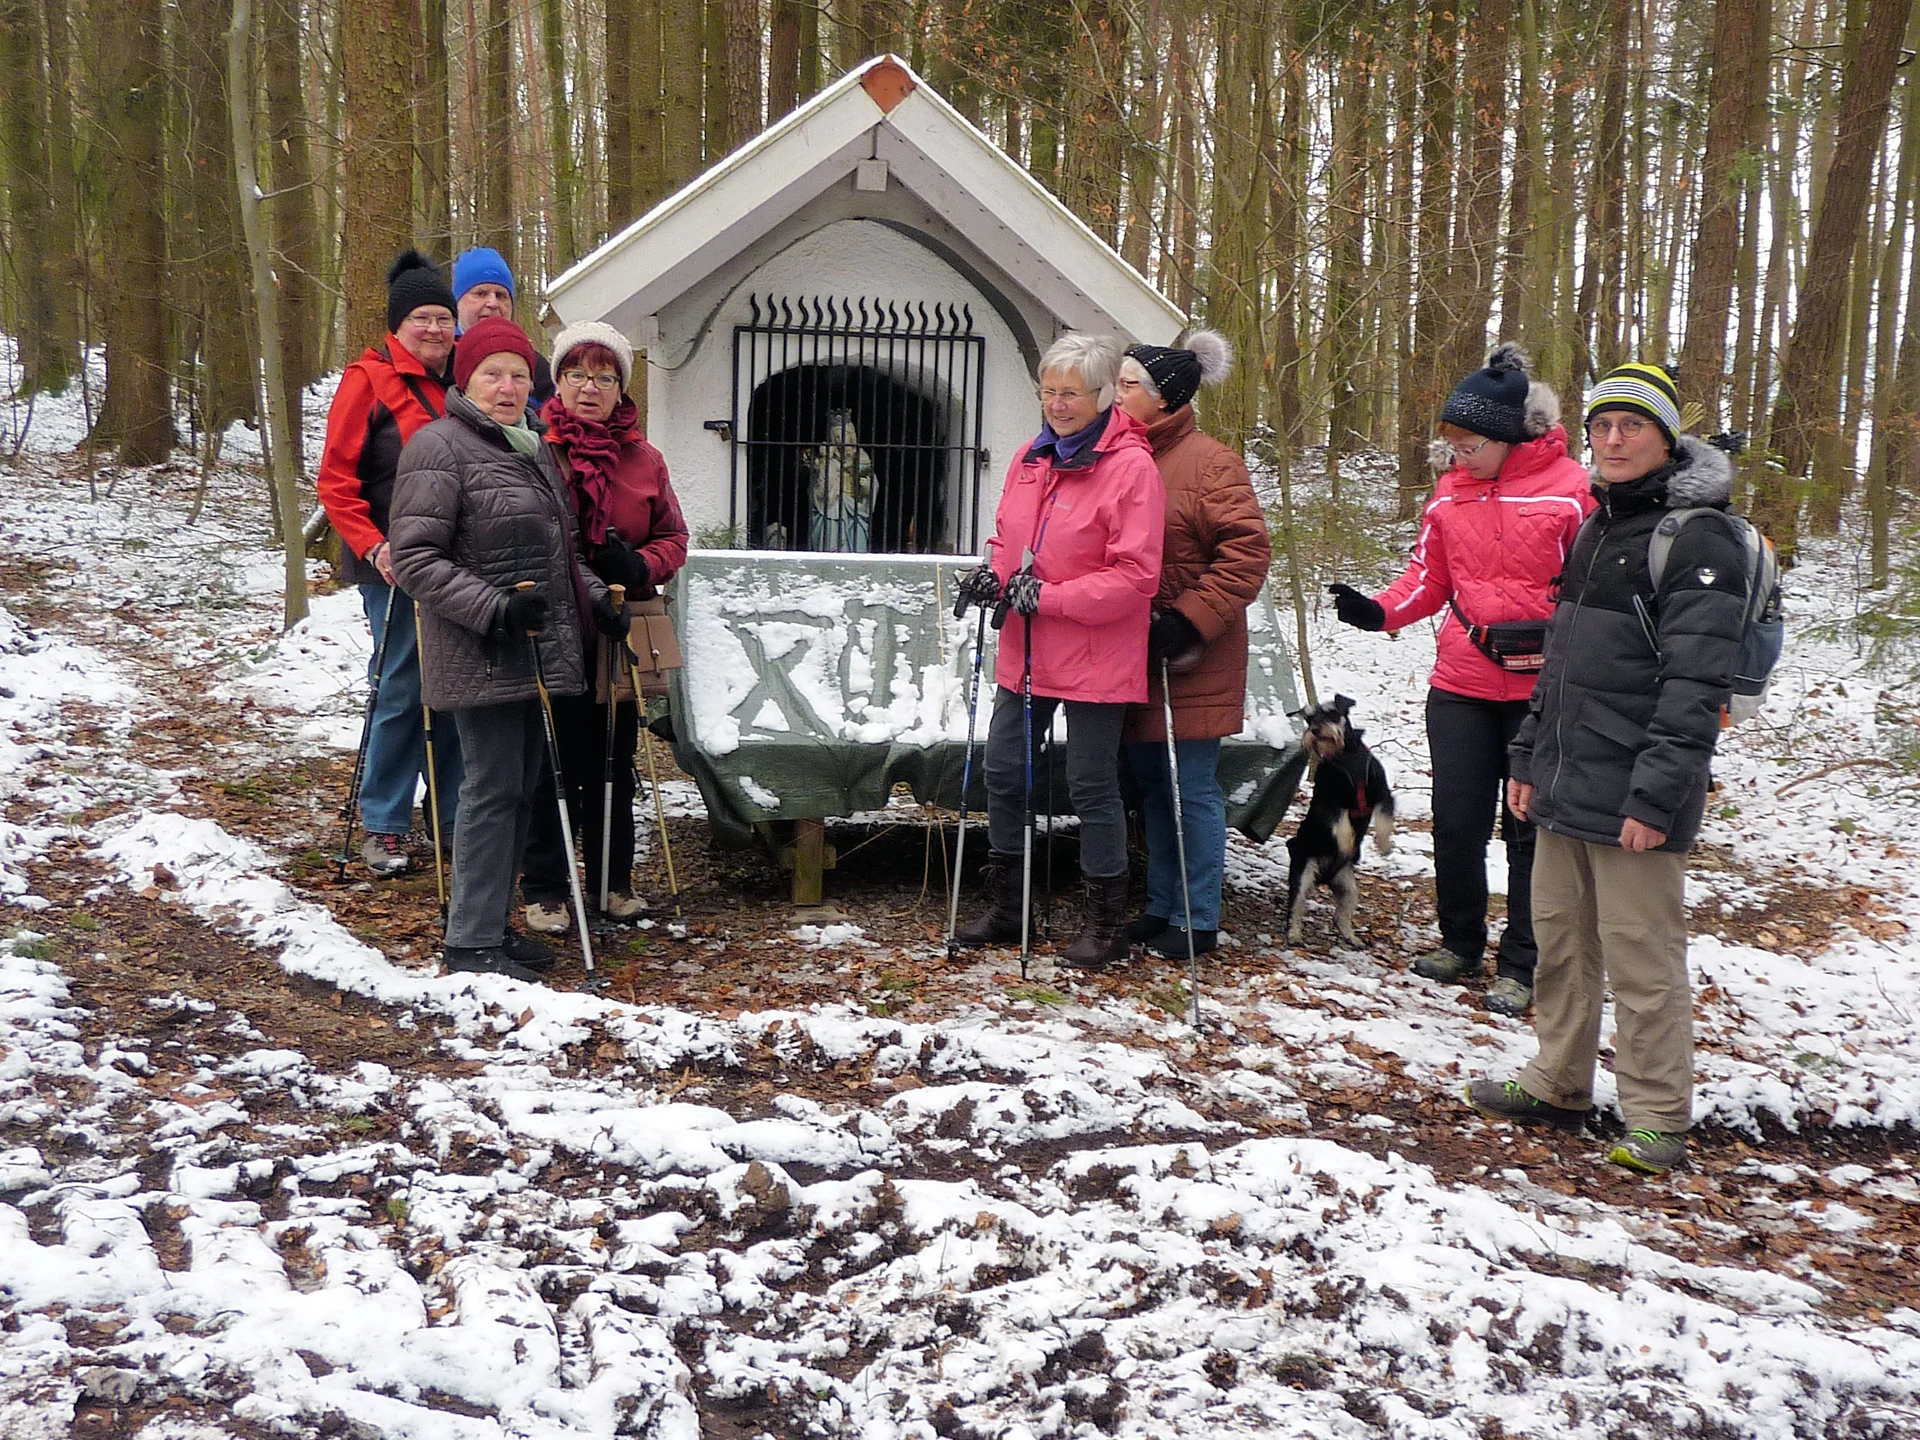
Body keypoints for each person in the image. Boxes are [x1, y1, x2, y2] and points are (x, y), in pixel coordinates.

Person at [1469, 361, 1747, 1176]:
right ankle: (1559, 1078)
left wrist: (1658, 796)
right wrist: (1526, 753)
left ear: (1666, 438)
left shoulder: (1698, 539)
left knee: (1642, 958)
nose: (1614, 439)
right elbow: (1559, 662)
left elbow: (1697, 686)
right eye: (1602, 425)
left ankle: (1659, 1117)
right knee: (1559, 942)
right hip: (1564, 775)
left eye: (1633, 426)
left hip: (1638, 791)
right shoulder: (1598, 525)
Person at [1327, 344, 1590, 1015]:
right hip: (1462, 683)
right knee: (1458, 823)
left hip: (1543, 691)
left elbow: (1594, 593)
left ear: (1508, 436)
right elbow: (1428, 579)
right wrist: (1378, 610)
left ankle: (1523, 963)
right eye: (1450, 440)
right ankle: (1460, 942)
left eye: (1469, 442)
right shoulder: (1449, 497)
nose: (1456, 454)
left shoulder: (1573, 491)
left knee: (1530, 830)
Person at [389, 317, 625, 982]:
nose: (507, 385)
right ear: (465, 380)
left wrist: (594, 598)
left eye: (519, 374)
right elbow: (415, 559)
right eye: (492, 373)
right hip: (481, 650)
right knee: (492, 790)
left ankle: (492, 926)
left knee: (521, 790)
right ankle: (468, 942)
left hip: (535, 653)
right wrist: (491, 608)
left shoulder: (531, 447)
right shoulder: (439, 447)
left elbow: (562, 551)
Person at [953, 333, 1164, 969]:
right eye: (1048, 391)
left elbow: (1136, 576)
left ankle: (1105, 923)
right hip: (1027, 645)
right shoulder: (1029, 457)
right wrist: (995, 572)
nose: (1057, 403)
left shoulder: (1132, 468)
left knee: (1090, 782)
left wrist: (1049, 596)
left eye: (1071, 392)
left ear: (1102, 396)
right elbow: (1004, 536)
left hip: (1098, 649)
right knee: (1004, 767)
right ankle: (1008, 904)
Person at [521, 321, 689, 932]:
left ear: (621, 387)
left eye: (604, 376)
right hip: (559, 625)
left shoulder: (645, 460)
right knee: (554, 759)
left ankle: (612, 882)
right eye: (576, 375)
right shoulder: (537, 452)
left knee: (616, 757)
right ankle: (545, 885)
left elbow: (675, 537)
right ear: (557, 382)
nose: (589, 387)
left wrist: (639, 563)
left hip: (622, 626)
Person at [1113, 331, 1271, 959]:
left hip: (1191, 654)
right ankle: (1161, 905)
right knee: (1150, 783)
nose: (1115, 394)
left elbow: (1246, 554)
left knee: (1191, 787)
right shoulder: (1116, 455)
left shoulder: (1212, 462)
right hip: (1131, 651)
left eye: (1127, 385)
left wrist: (1187, 621)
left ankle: (1199, 915)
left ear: (1164, 397)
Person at [316, 249, 467, 876]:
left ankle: (455, 815)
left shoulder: (464, 378)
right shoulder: (367, 379)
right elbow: (335, 482)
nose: (434, 330)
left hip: (458, 565)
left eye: (442, 318)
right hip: (391, 565)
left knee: (461, 685)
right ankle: (384, 820)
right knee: (403, 684)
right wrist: (373, 546)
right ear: (397, 325)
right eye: (422, 320)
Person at [451, 247, 555, 407]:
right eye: (480, 293)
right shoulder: (443, 358)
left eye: (501, 295)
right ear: (457, 302)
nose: (493, 304)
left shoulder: (534, 365)